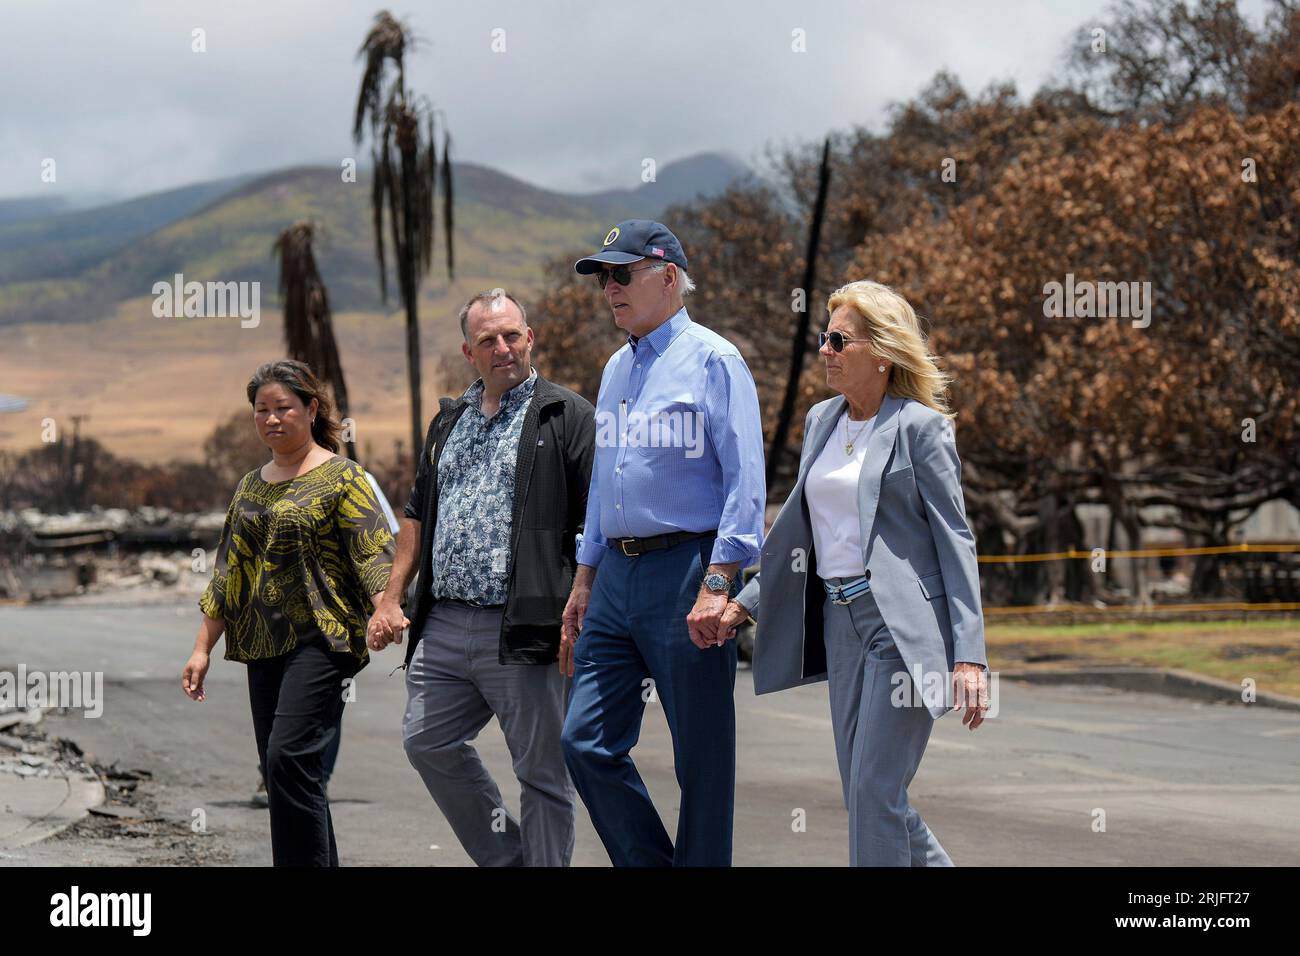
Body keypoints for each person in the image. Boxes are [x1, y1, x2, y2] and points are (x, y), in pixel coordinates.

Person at [718, 280, 989, 867]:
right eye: (824, 337)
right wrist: (746, 601)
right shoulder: (822, 421)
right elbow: (808, 539)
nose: (825, 350)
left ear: (884, 353)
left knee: (873, 791)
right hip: (839, 625)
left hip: (901, 629)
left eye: (840, 339)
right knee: (866, 793)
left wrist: (969, 656)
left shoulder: (921, 428)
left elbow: (955, 541)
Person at [560, 220, 765, 866]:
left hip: (688, 569)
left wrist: (718, 582)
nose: (609, 290)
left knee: (701, 760)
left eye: (622, 275)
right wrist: (584, 580)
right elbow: (602, 486)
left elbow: (745, 484)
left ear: (668, 277)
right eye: (603, 279)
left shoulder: (715, 360)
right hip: (616, 578)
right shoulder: (616, 368)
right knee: (584, 741)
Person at [368, 288, 595, 867]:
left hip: (526, 625)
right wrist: (391, 598)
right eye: (488, 340)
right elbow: (417, 511)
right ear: (469, 352)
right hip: (443, 621)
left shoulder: (564, 414)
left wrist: (582, 599)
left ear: (530, 339)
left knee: (542, 773)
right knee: (426, 741)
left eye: (512, 335)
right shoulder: (449, 421)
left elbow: (598, 517)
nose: (503, 348)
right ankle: (509, 860)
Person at [182, 359, 395, 866]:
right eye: (262, 411)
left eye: (284, 408)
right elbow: (228, 574)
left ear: (311, 408)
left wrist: (386, 606)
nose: (273, 420)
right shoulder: (250, 487)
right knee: (287, 772)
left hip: (323, 642)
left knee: (288, 758)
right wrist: (200, 649)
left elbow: (372, 551)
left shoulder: (344, 477)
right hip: (263, 644)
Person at [252, 468, 400, 808]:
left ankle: (315, 776)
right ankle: (281, 774)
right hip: (276, 621)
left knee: (321, 709)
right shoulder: (266, 480)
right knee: (284, 713)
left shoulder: (353, 478)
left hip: (334, 621)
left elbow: (384, 540)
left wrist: (385, 603)